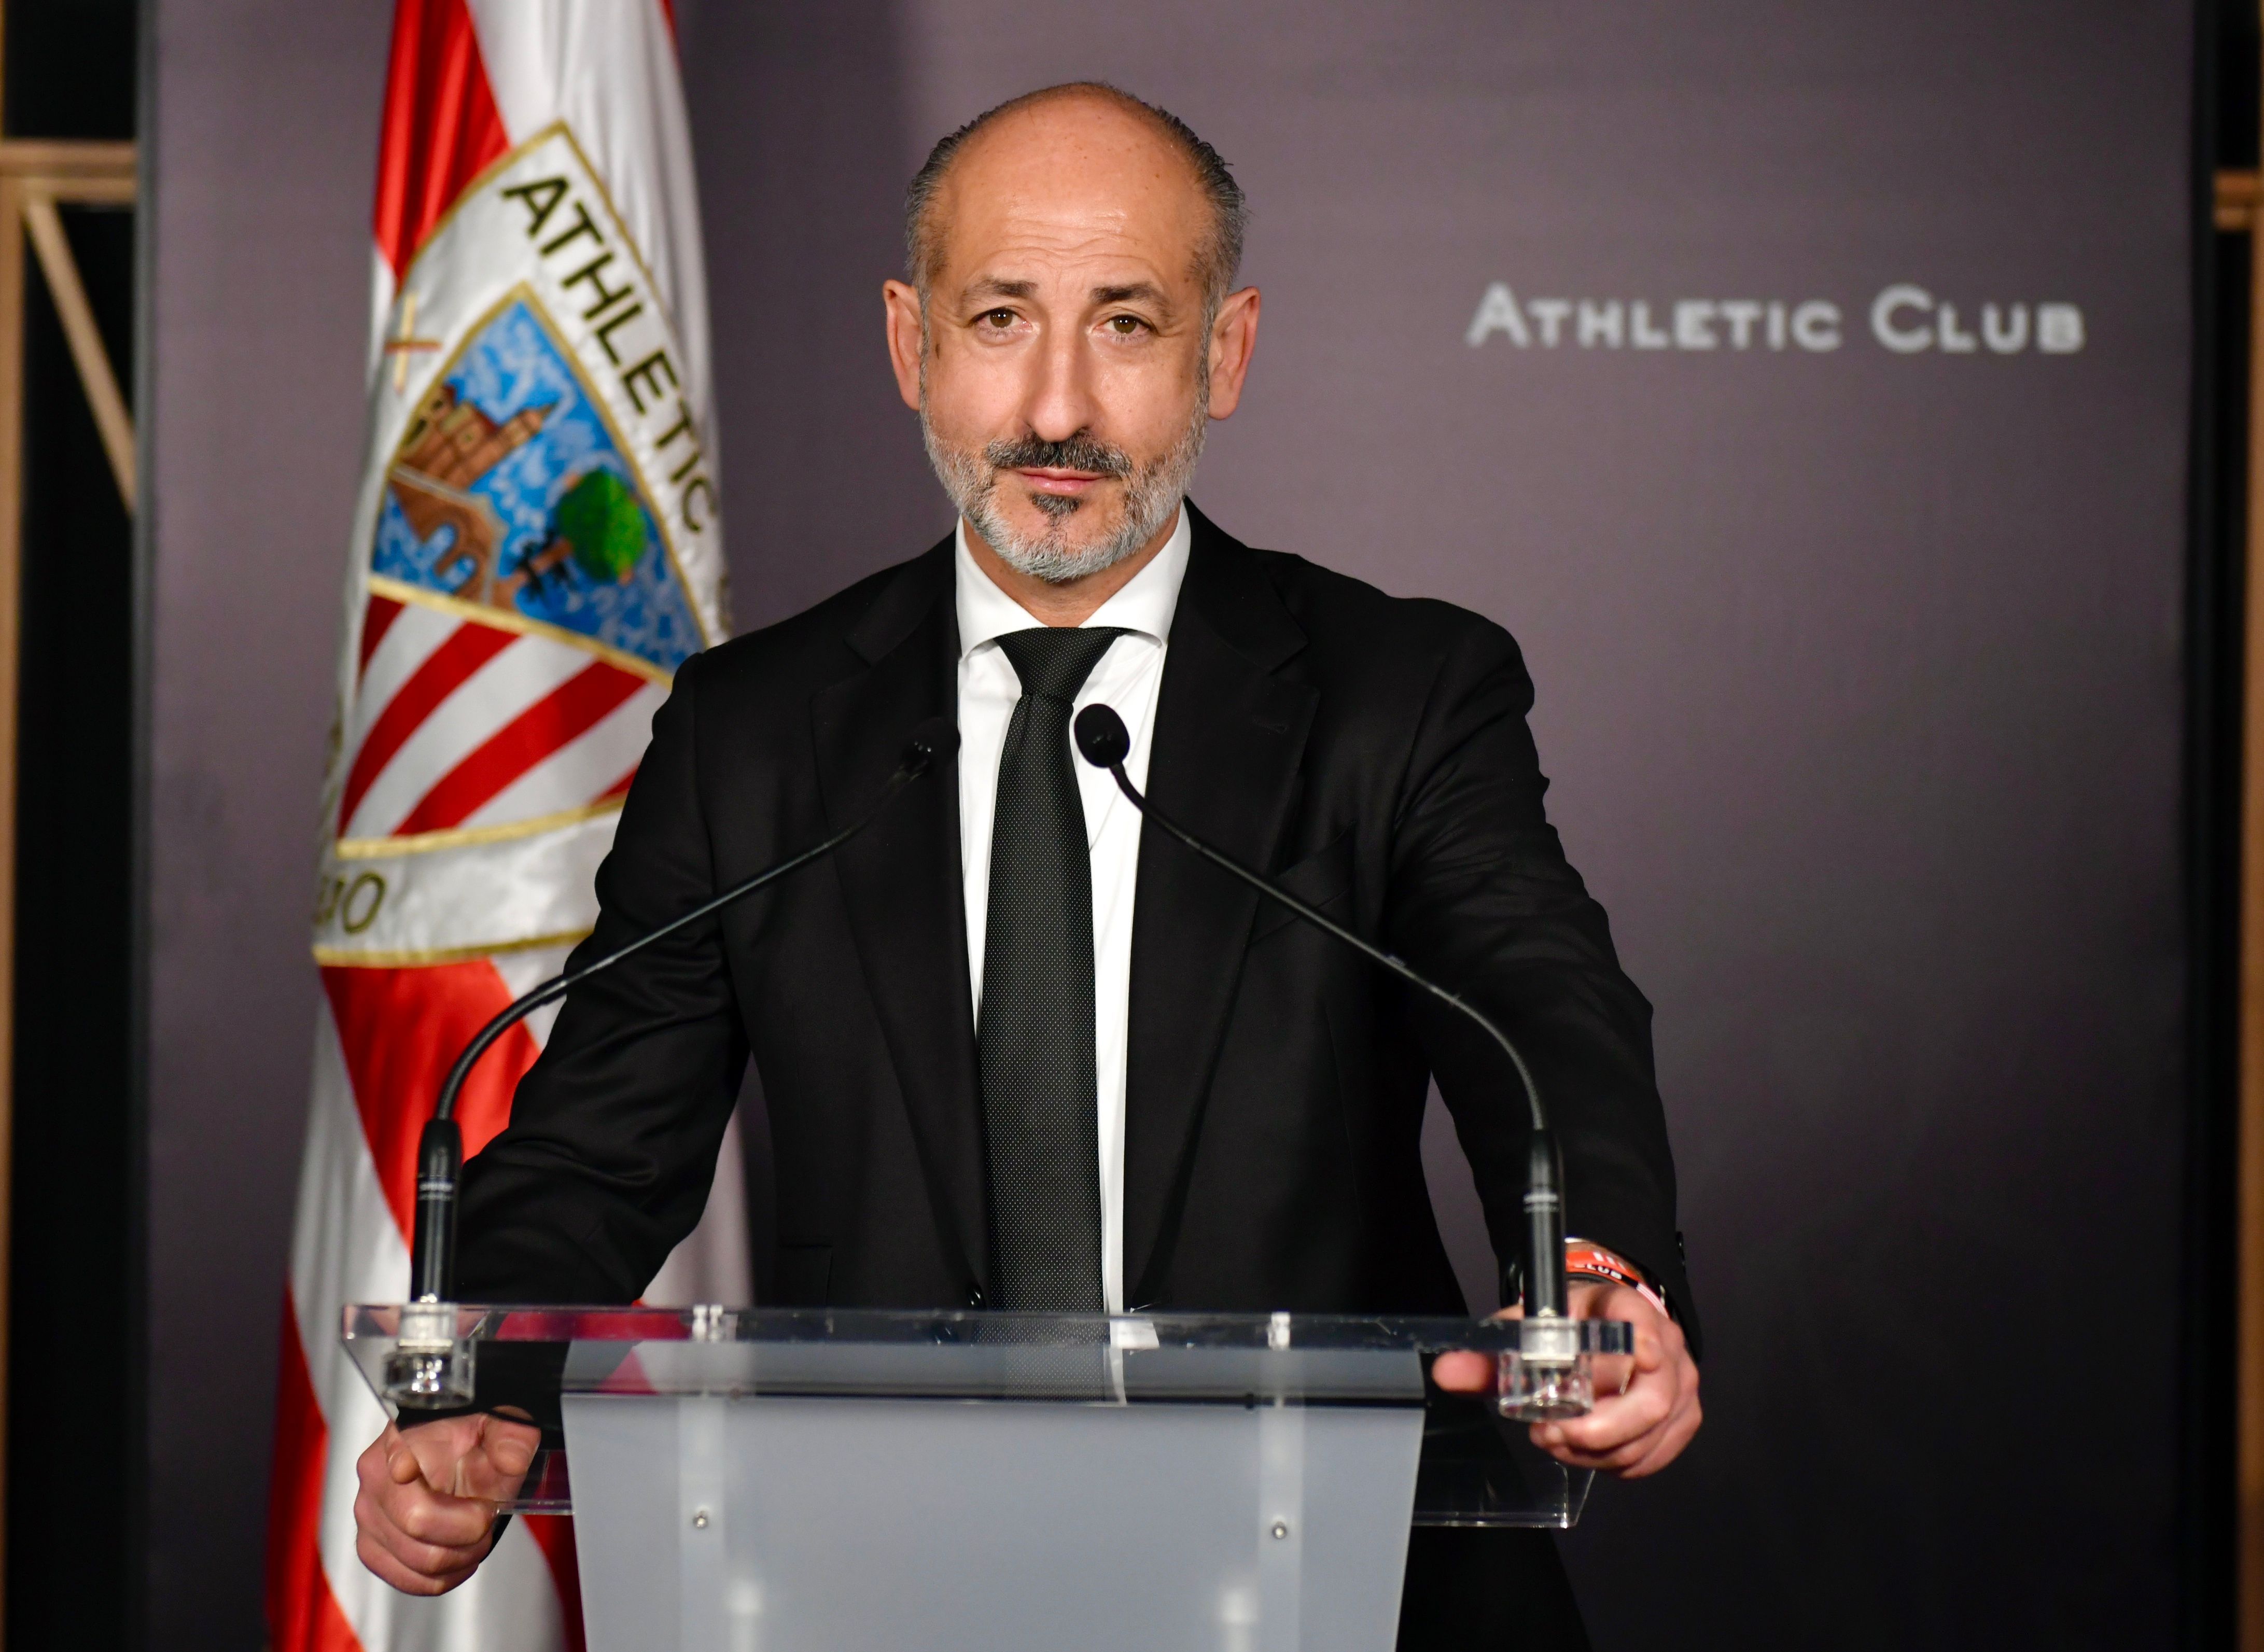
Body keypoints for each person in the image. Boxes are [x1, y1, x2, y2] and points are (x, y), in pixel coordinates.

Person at [352, 81, 1701, 1646]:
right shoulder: (761, 730)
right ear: (911, 344)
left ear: (1227, 351)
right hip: (880, 1579)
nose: (1057, 407)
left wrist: (1600, 1272)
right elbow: (596, 1146)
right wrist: (483, 1388)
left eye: (1127, 324)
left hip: (1342, 1575)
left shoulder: (1400, 692)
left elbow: (1540, 1001)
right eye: (1000, 318)